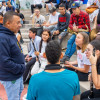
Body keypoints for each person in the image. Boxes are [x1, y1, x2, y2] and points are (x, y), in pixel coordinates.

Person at [0, 11, 25, 100]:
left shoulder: (10, 34)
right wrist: (21, 68)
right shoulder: (2, 37)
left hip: (16, 75)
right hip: (11, 77)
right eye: (17, 22)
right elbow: (4, 61)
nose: (20, 25)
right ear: (8, 23)